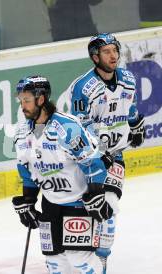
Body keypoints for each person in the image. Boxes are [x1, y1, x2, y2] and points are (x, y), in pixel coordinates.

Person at [13, 75, 113, 274]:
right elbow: (27, 170)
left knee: (80, 261)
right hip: (50, 206)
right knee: (55, 264)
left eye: (27, 100)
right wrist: (29, 200)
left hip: (78, 204)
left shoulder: (67, 128)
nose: (22, 105)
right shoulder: (22, 132)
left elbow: (93, 163)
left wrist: (96, 194)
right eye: (21, 100)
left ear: (41, 99)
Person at [68, 33, 145, 271]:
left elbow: (128, 105)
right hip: (87, 160)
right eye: (107, 52)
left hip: (116, 156)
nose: (113, 56)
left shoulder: (128, 78)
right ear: (95, 57)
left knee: (109, 207)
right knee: (85, 208)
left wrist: (135, 122)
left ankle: (102, 258)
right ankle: (77, 256)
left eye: (115, 50)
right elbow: (81, 125)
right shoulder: (83, 87)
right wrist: (99, 152)